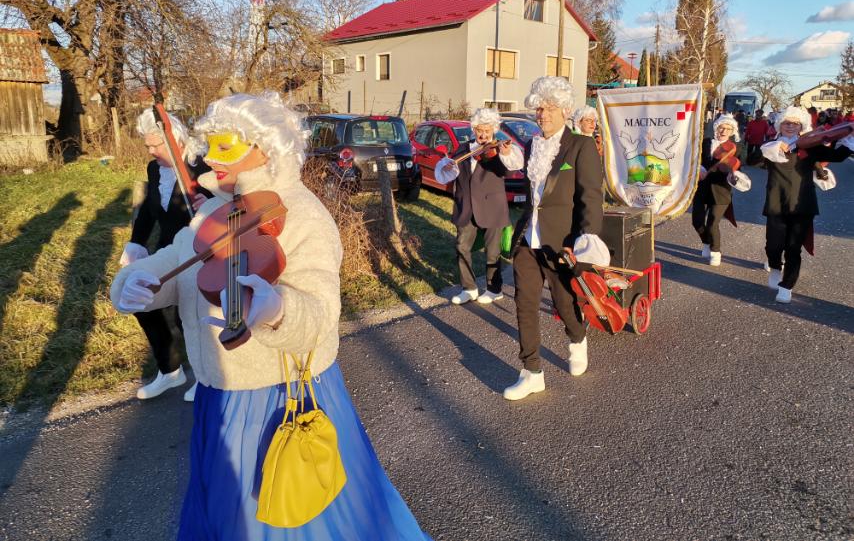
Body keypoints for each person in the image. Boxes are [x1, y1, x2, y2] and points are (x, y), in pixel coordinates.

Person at [111, 93, 432, 540]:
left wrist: (279, 310)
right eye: (210, 144)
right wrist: (136, 284)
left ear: (268, 148)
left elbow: (320, 313)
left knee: (280, 517)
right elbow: (173, 264)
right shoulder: (212, 210)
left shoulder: (303, 215)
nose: (210, 156)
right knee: (222, 514)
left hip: (276, 399)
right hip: (216, 394)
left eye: (228, 146)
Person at [503, 77, 610, 401]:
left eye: (549, 108)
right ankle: (531, 371)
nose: (542, 114)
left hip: (561, 241)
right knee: (525, 303)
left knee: (565, 302)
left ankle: (577, 338)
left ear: (564, 110)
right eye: (539, 108)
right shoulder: (531, 145)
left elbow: (591, 195)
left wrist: (585, 237)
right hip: (528, 239)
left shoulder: (580, 146)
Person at [122, 108, 209, 401]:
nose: (151, 150)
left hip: (199, 251)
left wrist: (208, 203)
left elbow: (227, 201)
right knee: (143, 300)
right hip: (167, 249)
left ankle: (205, 374)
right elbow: (148, 211)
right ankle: (170, 371)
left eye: (156, 145)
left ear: (177, 141)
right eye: (148, 145)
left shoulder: (201, 166)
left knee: (191, 314)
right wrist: (136, 243)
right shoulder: (155, 169)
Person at [760, 106, 853, 303]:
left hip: (803, 203)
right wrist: (777, 147)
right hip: (776, 201)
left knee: (794, 247)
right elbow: (753, 159)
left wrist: (849, 134)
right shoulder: (771, 146)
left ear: (802, 126)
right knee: (773, 245)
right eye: (786, 122)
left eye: (795, 123)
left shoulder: (809, 146)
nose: (791, 126)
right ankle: (776, 266)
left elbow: (837, 156)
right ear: (780, 125)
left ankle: (787, 286)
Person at [435, 108, 524, 305]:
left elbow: (511, 169)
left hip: (492, 207)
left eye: (487, 130)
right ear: (473, 129)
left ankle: (494, 289)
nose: (483, 135)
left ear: (494, 129)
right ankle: (469, 288)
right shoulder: (464, 149)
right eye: (479, 130)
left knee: (492, 252)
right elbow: (450, 173)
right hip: (466, 206)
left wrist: (506, 152)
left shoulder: (499, 149)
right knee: (461, 247)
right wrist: (448, 166)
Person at [691, 114, 745, 266]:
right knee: (697, 222)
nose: (724, 131)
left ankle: (716, 251)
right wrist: (700, 167)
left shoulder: (736, 147)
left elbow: (738, 167)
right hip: (702, 187)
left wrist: (733, 172)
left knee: (713, 222)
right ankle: (706, 242)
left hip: (721, 190)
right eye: (722, 127)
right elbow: (695, 158)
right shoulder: (705, 142)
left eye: (728, 129)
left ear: (732, 131)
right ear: (716, 127)